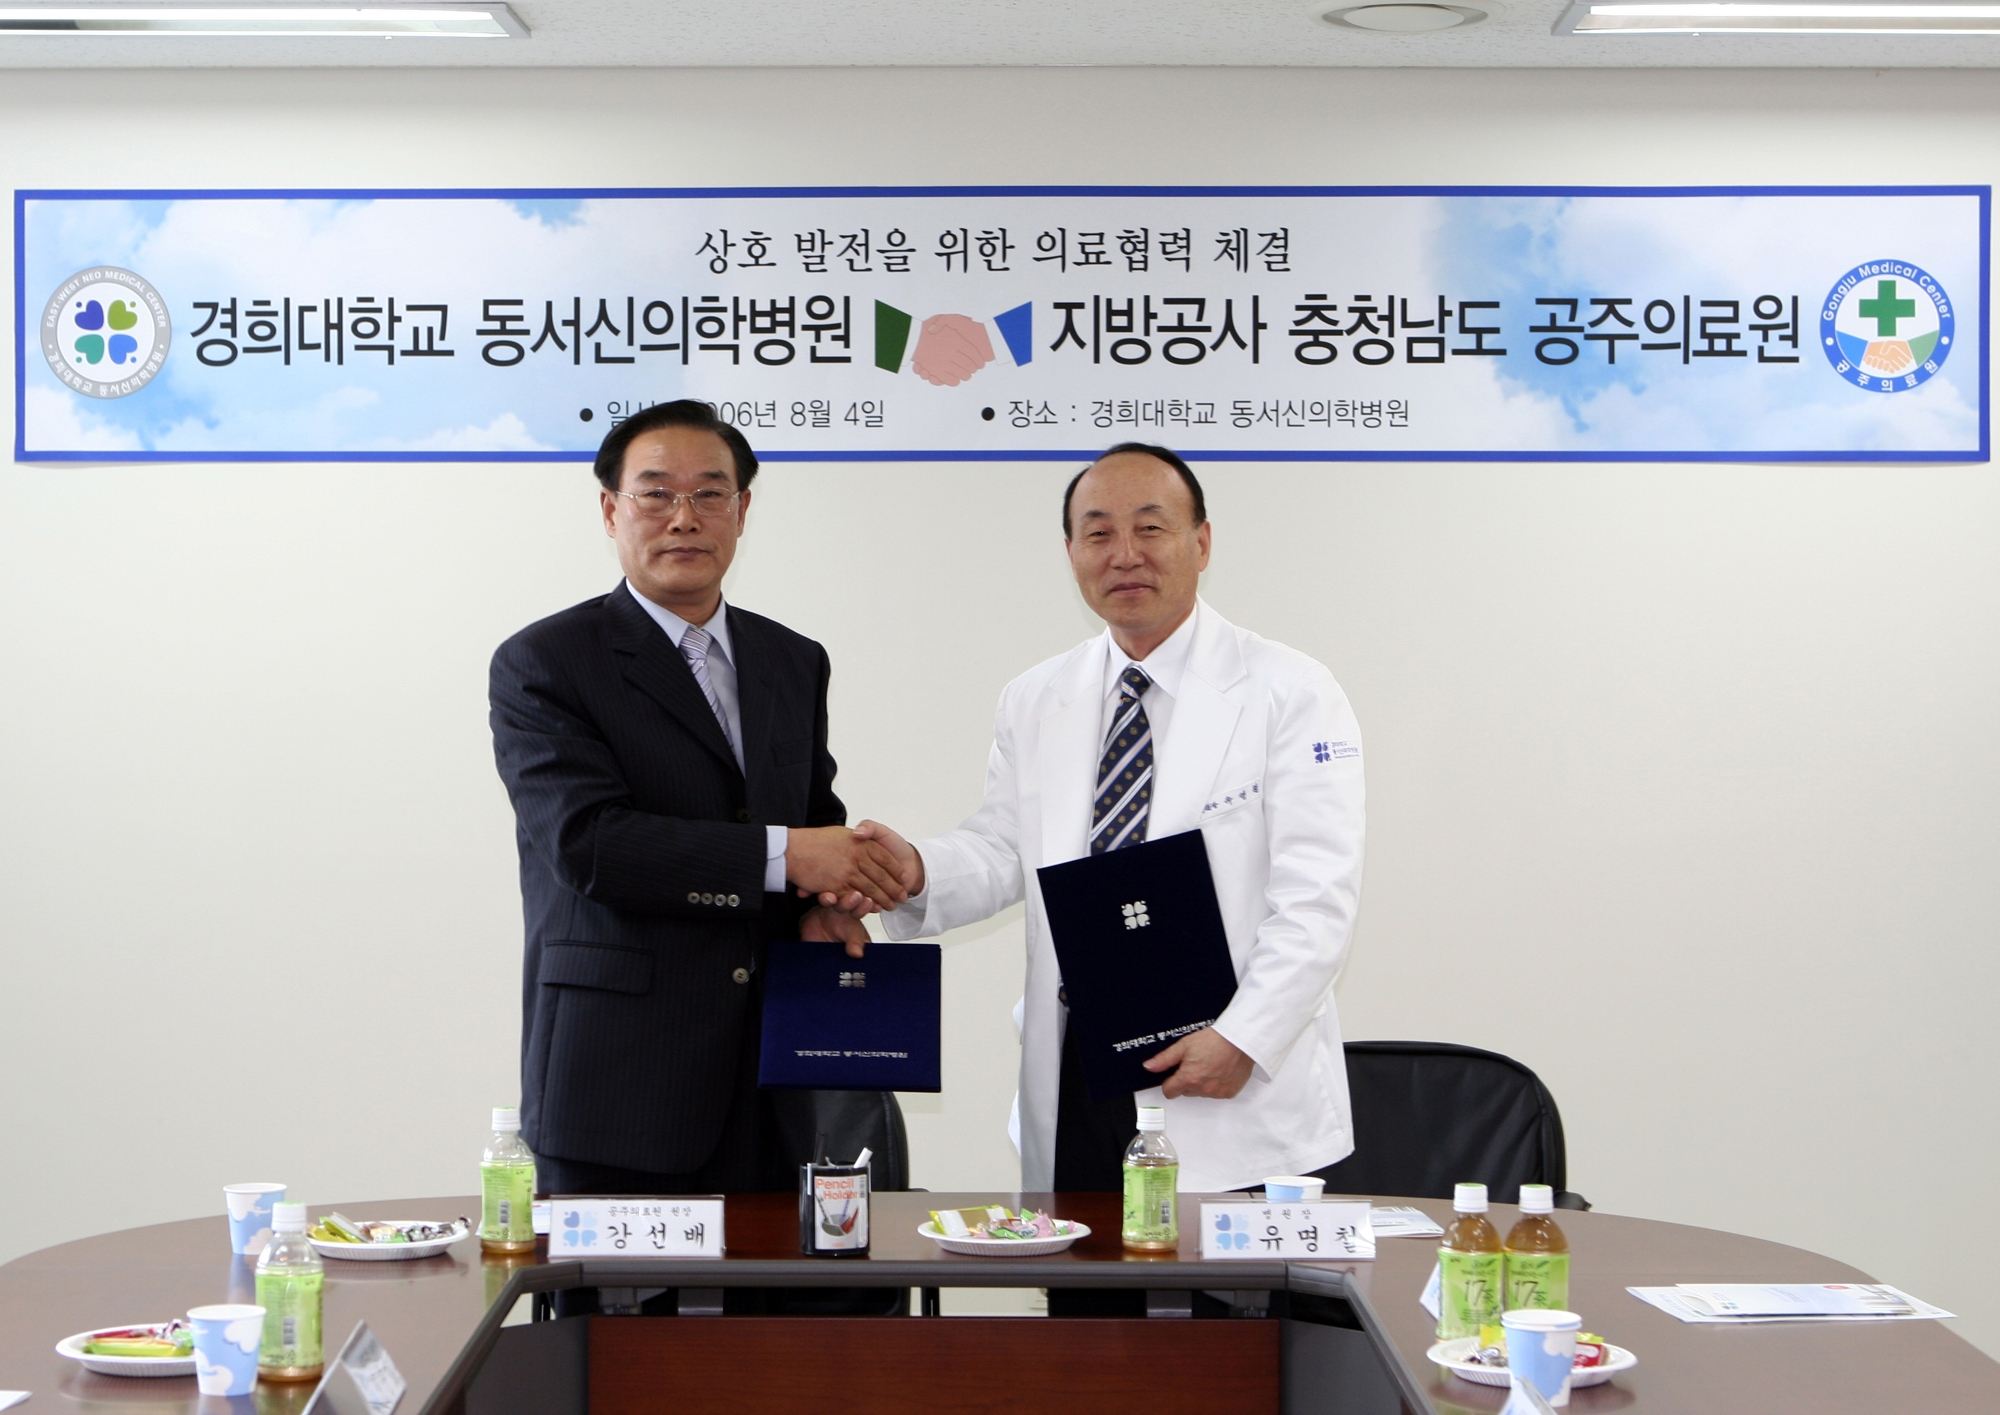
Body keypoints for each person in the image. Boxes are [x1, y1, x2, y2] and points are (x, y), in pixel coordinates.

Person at [847, 443, 1366, 1203]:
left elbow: (1318, 899)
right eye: (1098, 533)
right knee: (1082, 1275)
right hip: (1081, 1065)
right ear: (1070, 553)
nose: (1125, 554)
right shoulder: (1035, 697)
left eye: (1150, 528)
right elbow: (1006, 848)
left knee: (1223, 1281)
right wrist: (916, 871)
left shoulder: (1290, 690)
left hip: (1226, 1074)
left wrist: (1244, 1037)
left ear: (1202, 542)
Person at [489, 399, 900, 1202]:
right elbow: (590, 844)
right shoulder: (546, 661)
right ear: (611, 510)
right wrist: (788, 856)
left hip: (775, 1079)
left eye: (710, 493)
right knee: (614, 1294)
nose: (684, 517)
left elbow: (811, 812)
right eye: (656, 493)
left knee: (775, 1287)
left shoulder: (793, 659)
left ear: (742, 509)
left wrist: (820, 903)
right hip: (621, 1085)